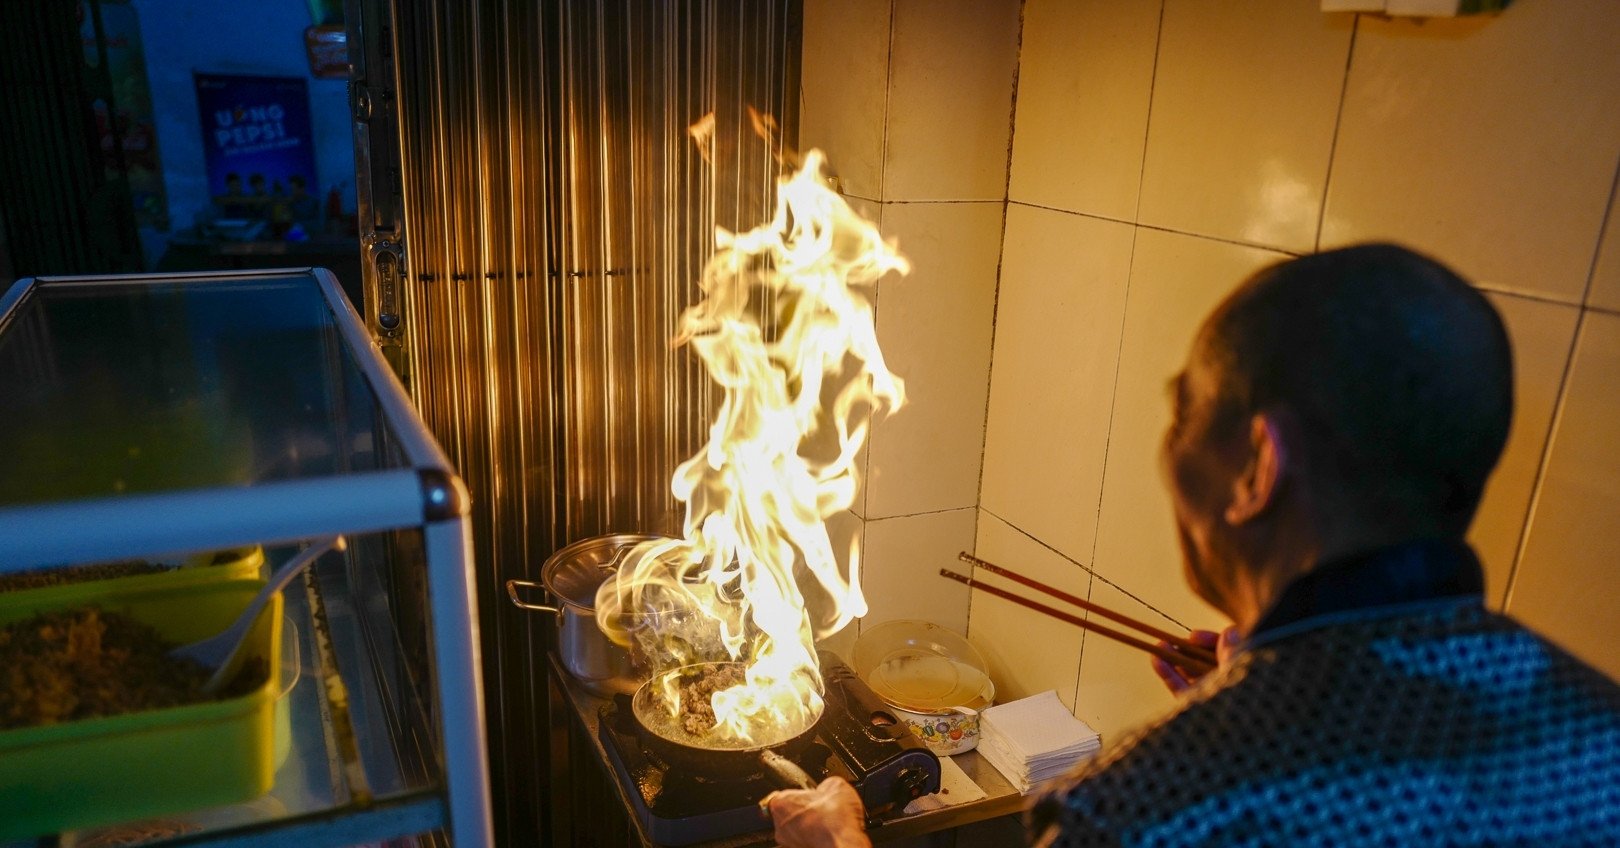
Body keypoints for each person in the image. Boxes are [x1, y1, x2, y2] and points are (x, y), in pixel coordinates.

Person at [766, 243, 1620, 846]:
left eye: (1184, 412)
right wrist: (1264, 697)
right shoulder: (1600, 732)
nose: (1170, 453)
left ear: (1257, 465)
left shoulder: (1152, 807)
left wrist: (837, 845)